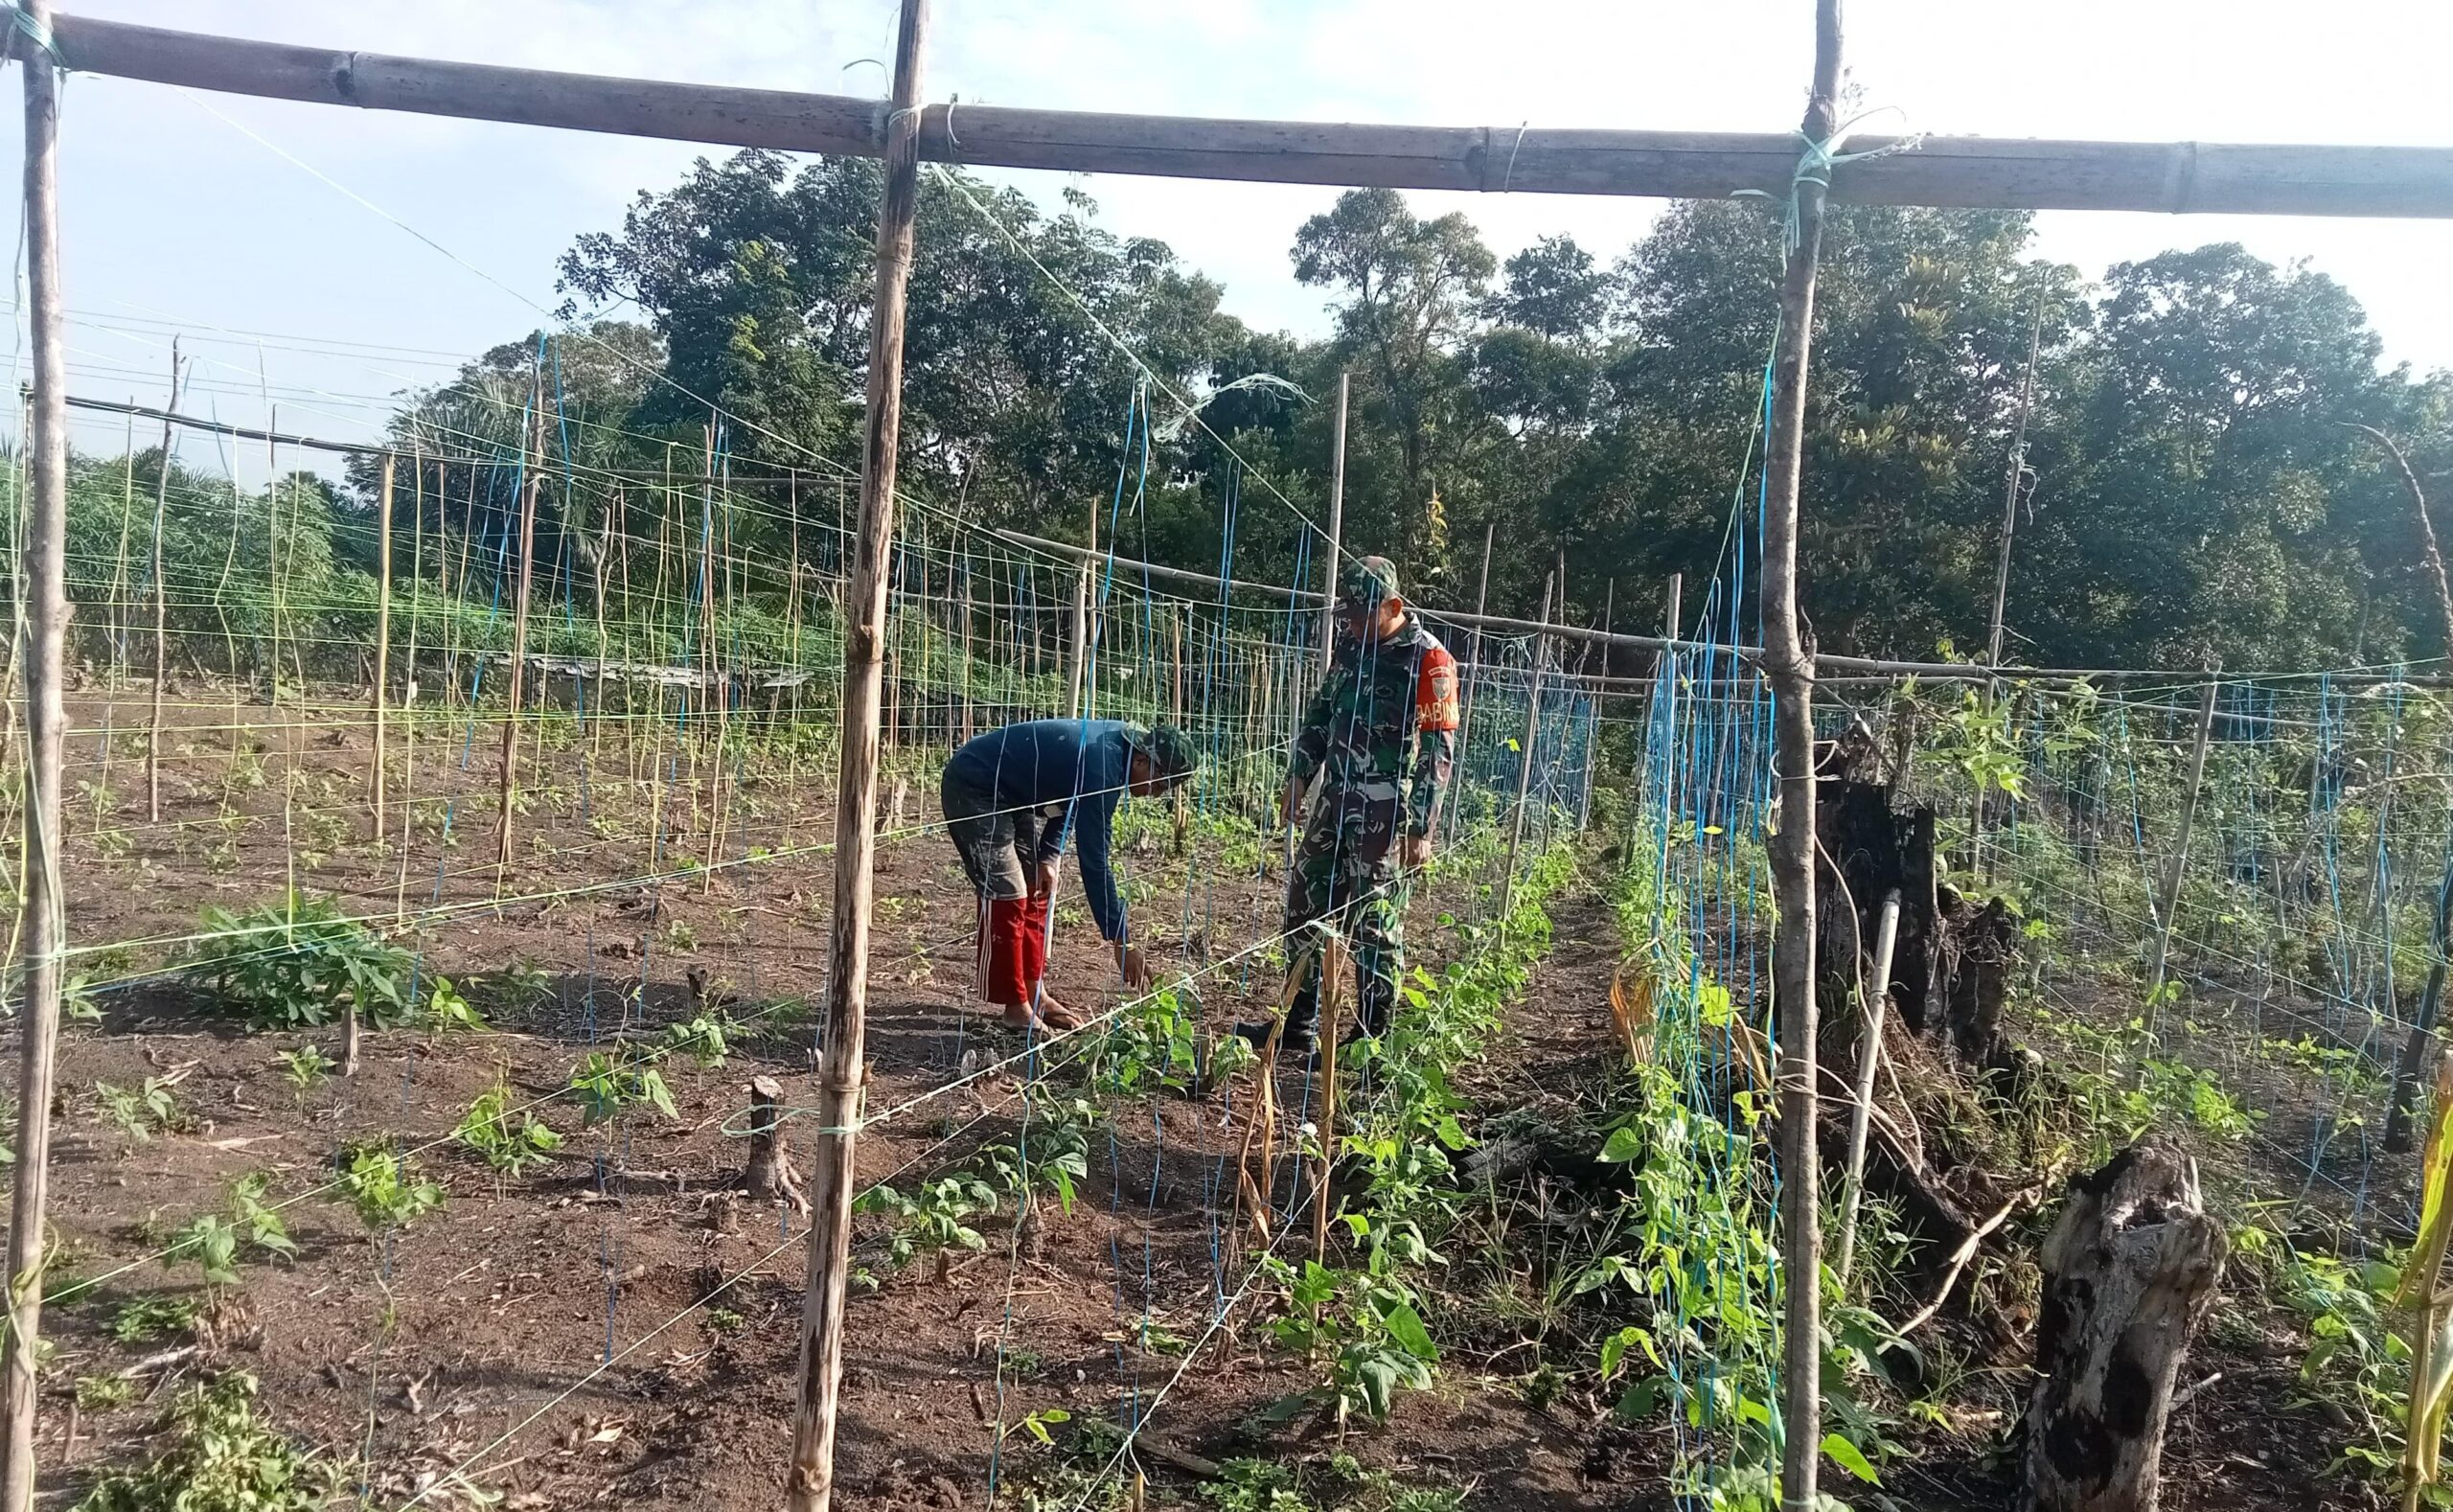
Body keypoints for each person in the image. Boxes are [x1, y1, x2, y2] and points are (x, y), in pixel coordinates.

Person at [1239, 556, 1458, 1055]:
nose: (1353, 623)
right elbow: (1321, 712)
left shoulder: (1430, 661)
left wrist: (1420, 828)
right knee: (1302, 904)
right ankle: (1298, 1023)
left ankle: (1367, 1046)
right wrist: (1298, 776)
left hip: (1384, 813)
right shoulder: (1351, 646)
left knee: (1374, 926)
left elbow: (1439, 751)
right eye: (1349, 613)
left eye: (1363, 613)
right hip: (1333, 803)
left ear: (1394, 606)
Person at [941, 718, 1199, 1031]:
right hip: (976, 787)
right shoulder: (1104, 764)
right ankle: (1015, 1007)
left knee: (1037, 887)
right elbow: (1095, 861)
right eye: (1159, 785)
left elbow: (1071, 798)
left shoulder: (1116, 755)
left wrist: (1049, 854)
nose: (1157, 795)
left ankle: (1034, 994)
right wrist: (1122, 941)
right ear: (1143, 760)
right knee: (1008, 893)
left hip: (1015, 795)